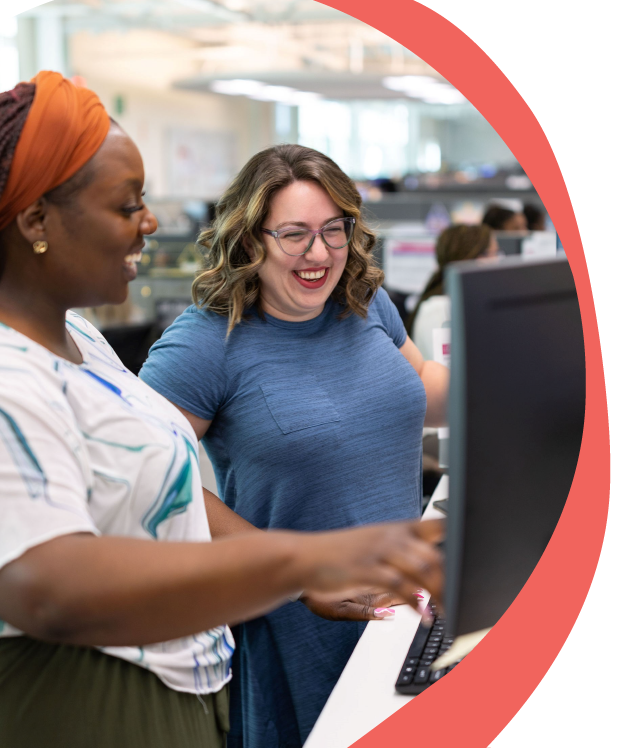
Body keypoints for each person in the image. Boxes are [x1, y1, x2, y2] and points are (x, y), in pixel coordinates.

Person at [0, 73, 444, 748]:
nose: (151, 223)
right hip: (8, 713)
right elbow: (49, 590)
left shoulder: (76, 340)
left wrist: (296, 576)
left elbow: (168, 483)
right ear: (36, 220)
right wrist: (305, 562)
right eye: (127, 206)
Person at [138, 144, 450, 747]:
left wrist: (530, 384)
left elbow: (420, 388)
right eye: (295, 235)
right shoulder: (206, 340)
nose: (320, 254)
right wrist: (295, 573)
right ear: (250, 239)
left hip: (403, 602)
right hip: (302, 617)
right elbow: (148, 476)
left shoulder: (362, 302)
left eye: (335, 231)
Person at [407, 223, 498, 360]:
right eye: (492, 254)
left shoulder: (469, 301)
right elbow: (449, 374)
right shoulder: (438, 308)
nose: (497, 261)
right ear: (472, 257)